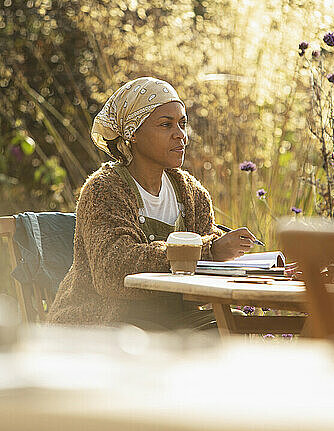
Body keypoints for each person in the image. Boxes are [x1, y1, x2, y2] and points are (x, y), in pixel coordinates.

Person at [48, 77, 257, 330]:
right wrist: (208, 250)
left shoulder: (192, 193)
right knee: (146, 338)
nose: (180, 135)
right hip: (104, 320)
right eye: (165, 125)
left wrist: (246, 266)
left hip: (171, 318)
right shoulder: (104, 189)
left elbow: (207, 265)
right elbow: (113, 272)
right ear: (133, 134)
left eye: (182, 124)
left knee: (233, 326)